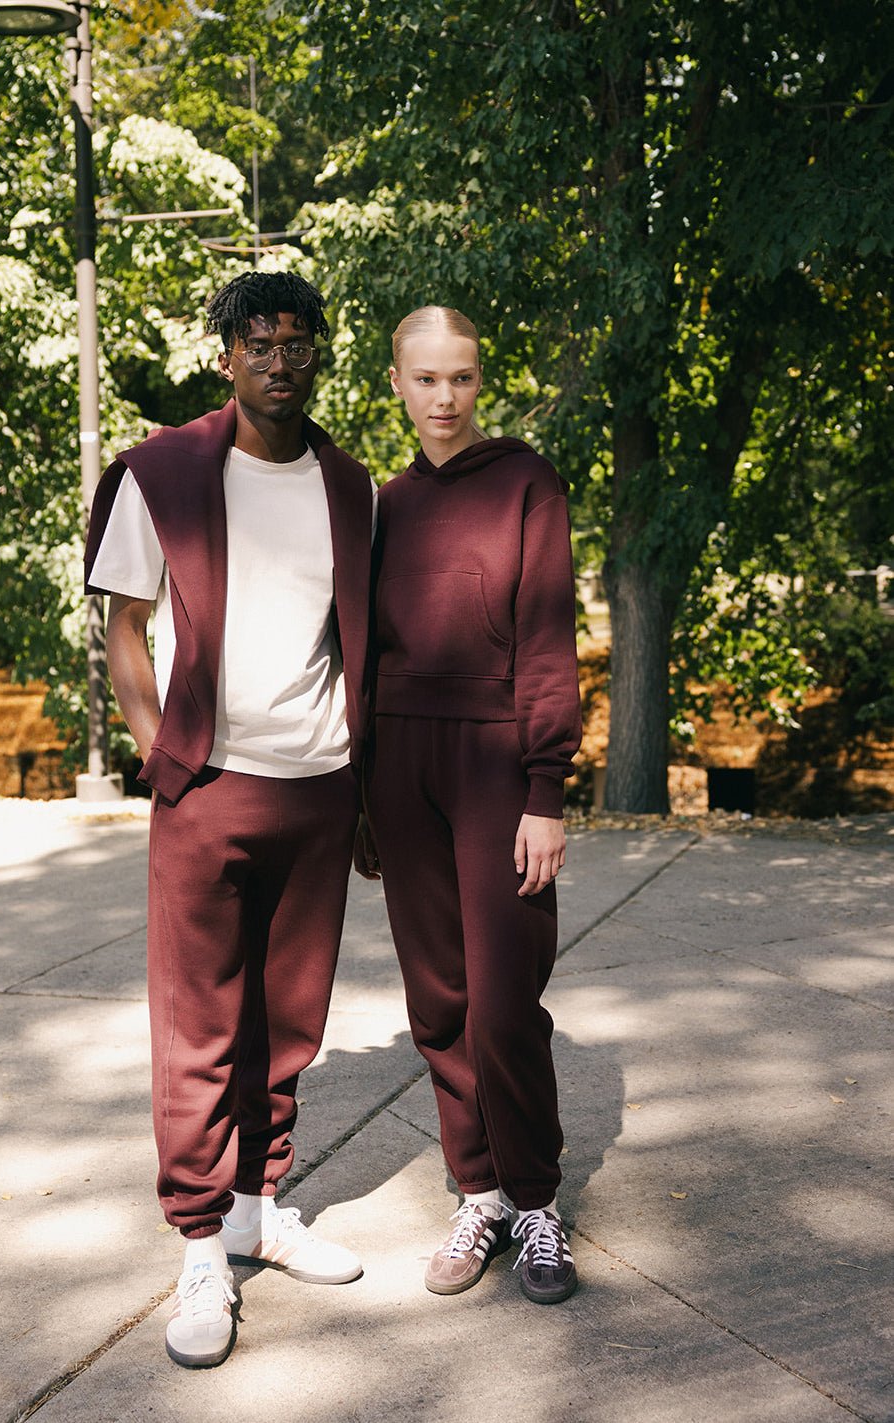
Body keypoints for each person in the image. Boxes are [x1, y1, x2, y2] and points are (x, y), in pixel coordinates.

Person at [84, 271, 376, 1369]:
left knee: (289, 1022)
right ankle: (201, 1246)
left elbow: (360, 644)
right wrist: (162, 755)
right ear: (225, 358)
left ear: (317, 357)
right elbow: (125, 628)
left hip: (318, 788)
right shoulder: (160, 475)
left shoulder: (352, 489)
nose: (278, 360)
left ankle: (260, 1206)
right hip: (206, 786)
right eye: (257, 342)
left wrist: (365, 793)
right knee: (200, 1027)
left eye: (297, 342)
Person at [357, 305, 582, 1305]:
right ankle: (479, 1191)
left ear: (478, 381)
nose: (443, 396)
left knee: (500, 1002)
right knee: (439, 1003)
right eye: (424, 378)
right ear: (395, 385)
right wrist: (362, 791)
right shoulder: (381, 503)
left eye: (460, 377)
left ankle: (536, 1200)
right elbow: (359, 655)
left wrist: (545, 789)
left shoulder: (524, 481)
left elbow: (545, 638)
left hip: (497, 761)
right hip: (400, 763)